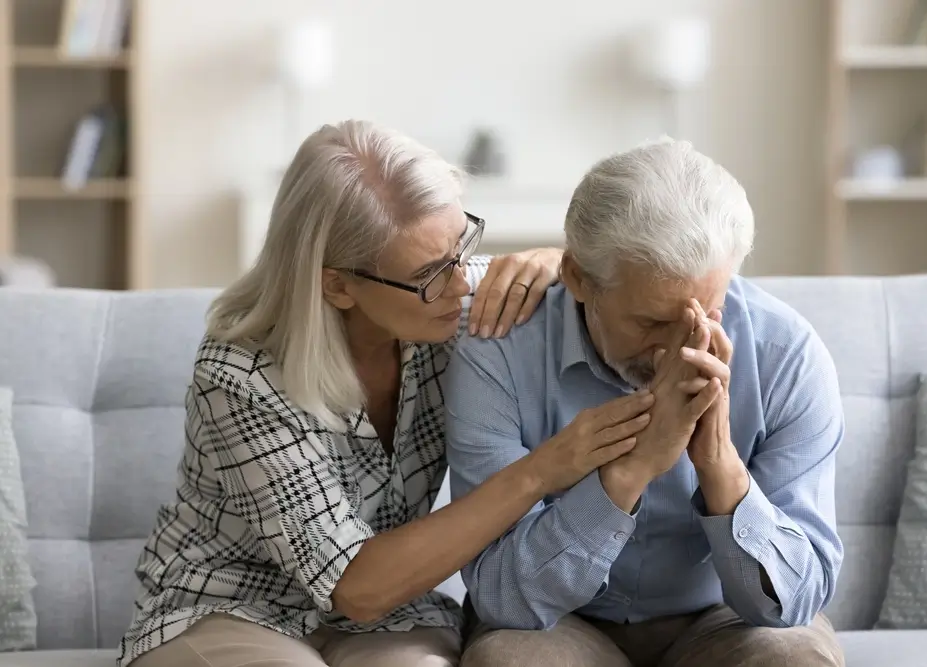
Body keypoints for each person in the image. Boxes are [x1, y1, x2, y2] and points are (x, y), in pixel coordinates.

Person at [117, 120, 656, 667]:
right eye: (430, 273)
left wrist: (552, 260)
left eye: (460, 245)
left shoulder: (452, 306)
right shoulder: (239, 375)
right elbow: (357, 585)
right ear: (337, 285)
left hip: (393, 618)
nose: (462, 283)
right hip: (230, 606)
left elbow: (584, 279)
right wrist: (542, 471)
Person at [445, 136, 846, 667]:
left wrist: (718, 463)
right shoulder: (498, 352)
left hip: (720, 617)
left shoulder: (784, 354)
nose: (679, 349)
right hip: (562, 622)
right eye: (652, 322)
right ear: (577, 278)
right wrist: (629, 472)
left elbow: (797, 599)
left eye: (709, 313)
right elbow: (504, 596)